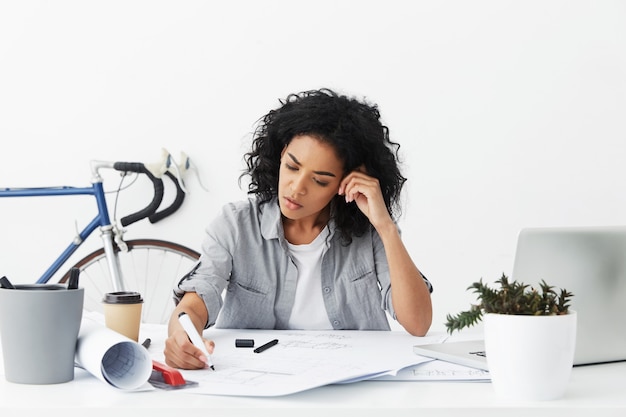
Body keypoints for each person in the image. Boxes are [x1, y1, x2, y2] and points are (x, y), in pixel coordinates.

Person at [164, 88, 433, 369]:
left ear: (346, 182)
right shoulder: (236, 224)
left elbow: (418, 323)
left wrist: (385, 226)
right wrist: (182, 336)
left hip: (353, 376)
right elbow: (198, 297)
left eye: (320, 181)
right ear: (281, 155)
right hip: (256, 374)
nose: (297, 188)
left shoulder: (371, 232)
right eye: (292, 167)